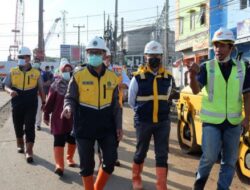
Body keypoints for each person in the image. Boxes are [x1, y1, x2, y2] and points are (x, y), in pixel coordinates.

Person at [188, 27, 250, 190]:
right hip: (212, 122)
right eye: (216, 45)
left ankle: (223, 188)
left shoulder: (243, 68)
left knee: (229, 161)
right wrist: (192, 76)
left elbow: (247, 95)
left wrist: (247, 118)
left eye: (222, 45)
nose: (218, 49)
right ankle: (199, 184)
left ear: (231, 47)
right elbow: (195, 90)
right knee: (209, 157)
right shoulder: (206, 67)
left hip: (234, 122)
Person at [61, 36, 123, 190]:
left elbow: (116, 105)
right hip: (84, 127)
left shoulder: (113, 78)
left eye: (98, 52)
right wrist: (68, 108)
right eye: (91, 52)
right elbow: (70, 98)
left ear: (104, 54)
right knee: (87, 166)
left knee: (110, 161)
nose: (95, 55)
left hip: (106, 127)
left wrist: (119, 126)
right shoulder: (78, 76)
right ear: (87, 54)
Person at [128, 40, 177, 190]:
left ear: (161, 57)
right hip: (143, 122)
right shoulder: (137, 78)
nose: (154, 58)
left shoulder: (168, 78)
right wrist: (142, 112)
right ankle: (136, 178)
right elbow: (131, 101)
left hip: (162, 122)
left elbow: (170, 96)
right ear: (145, 57)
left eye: (157, 55)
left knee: (162, 154)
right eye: (151, 55)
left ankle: (161, 184)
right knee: (141, 152)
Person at [3, 46, 46, 163]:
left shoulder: (36, 73)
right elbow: (6, 85)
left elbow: (41, 88)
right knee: (17, 124)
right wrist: (10, 91)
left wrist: (44, 102)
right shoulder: (13, 71)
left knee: (29, 126)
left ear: (29, 58)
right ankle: (20, 144)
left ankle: (29, 150)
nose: (21, 59)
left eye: (24, 57)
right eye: (20, 57)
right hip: (17, 102)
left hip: (31, 103)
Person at [43, 59, 76, 177]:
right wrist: (46, 115)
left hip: (72, 118)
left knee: (72, 139)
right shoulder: (55, 85)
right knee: (59, 140)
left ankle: (69, 158)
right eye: (65, 70)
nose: (67, 72)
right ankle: (59, 165)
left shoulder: (75, 84)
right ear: (61, 72)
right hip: (58, 119)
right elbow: (49, 102)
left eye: (69, 70)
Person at [32, 59, 43, 131]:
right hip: (30, 95)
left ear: (39, 64)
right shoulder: (29, 71)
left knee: (39, 110)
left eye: (37, 62)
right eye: (35, 62)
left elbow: (47, 82)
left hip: (39, 95)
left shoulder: (43, 73)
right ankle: (31, 123)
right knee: (31, 110)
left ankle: (38, 124)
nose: (36, 63)